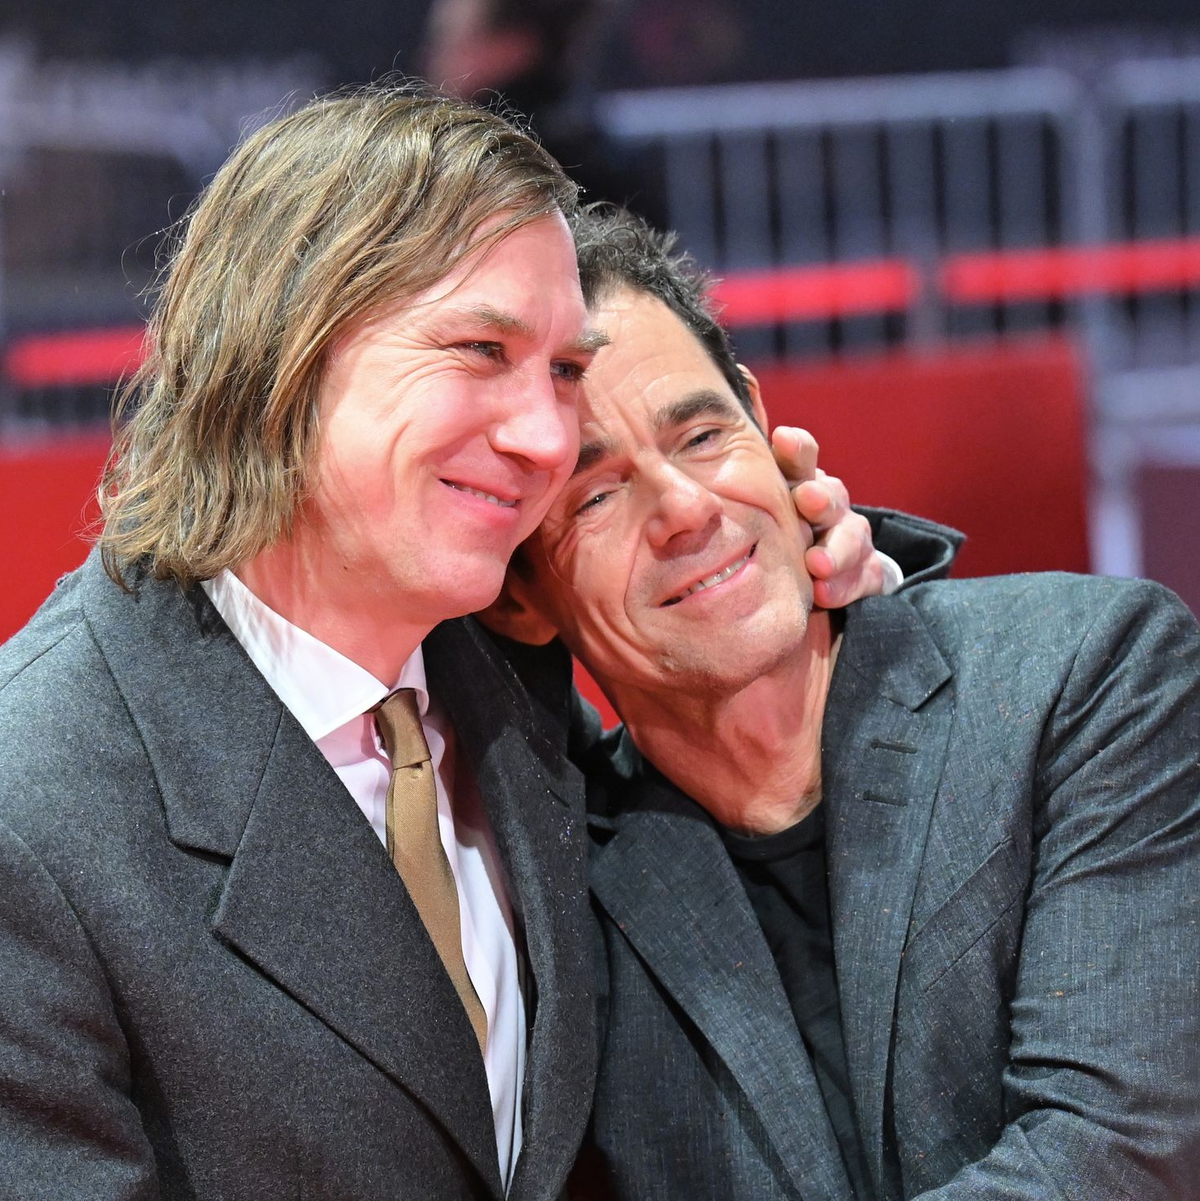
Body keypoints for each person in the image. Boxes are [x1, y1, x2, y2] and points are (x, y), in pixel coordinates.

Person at [0, 88, 914, 1199]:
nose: (543, 438)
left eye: (564, 373)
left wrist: (834, 609)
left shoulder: (508, 678)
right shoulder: (33, 805)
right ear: (284, 347)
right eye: (481, 350)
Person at [483, 206, 1200, 1200]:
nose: (687, 509)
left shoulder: (1081, 674)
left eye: (701, 434)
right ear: (518, 592)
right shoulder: (554, 891)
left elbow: (1116, 1159)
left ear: (766, 426)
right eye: (595, 497)